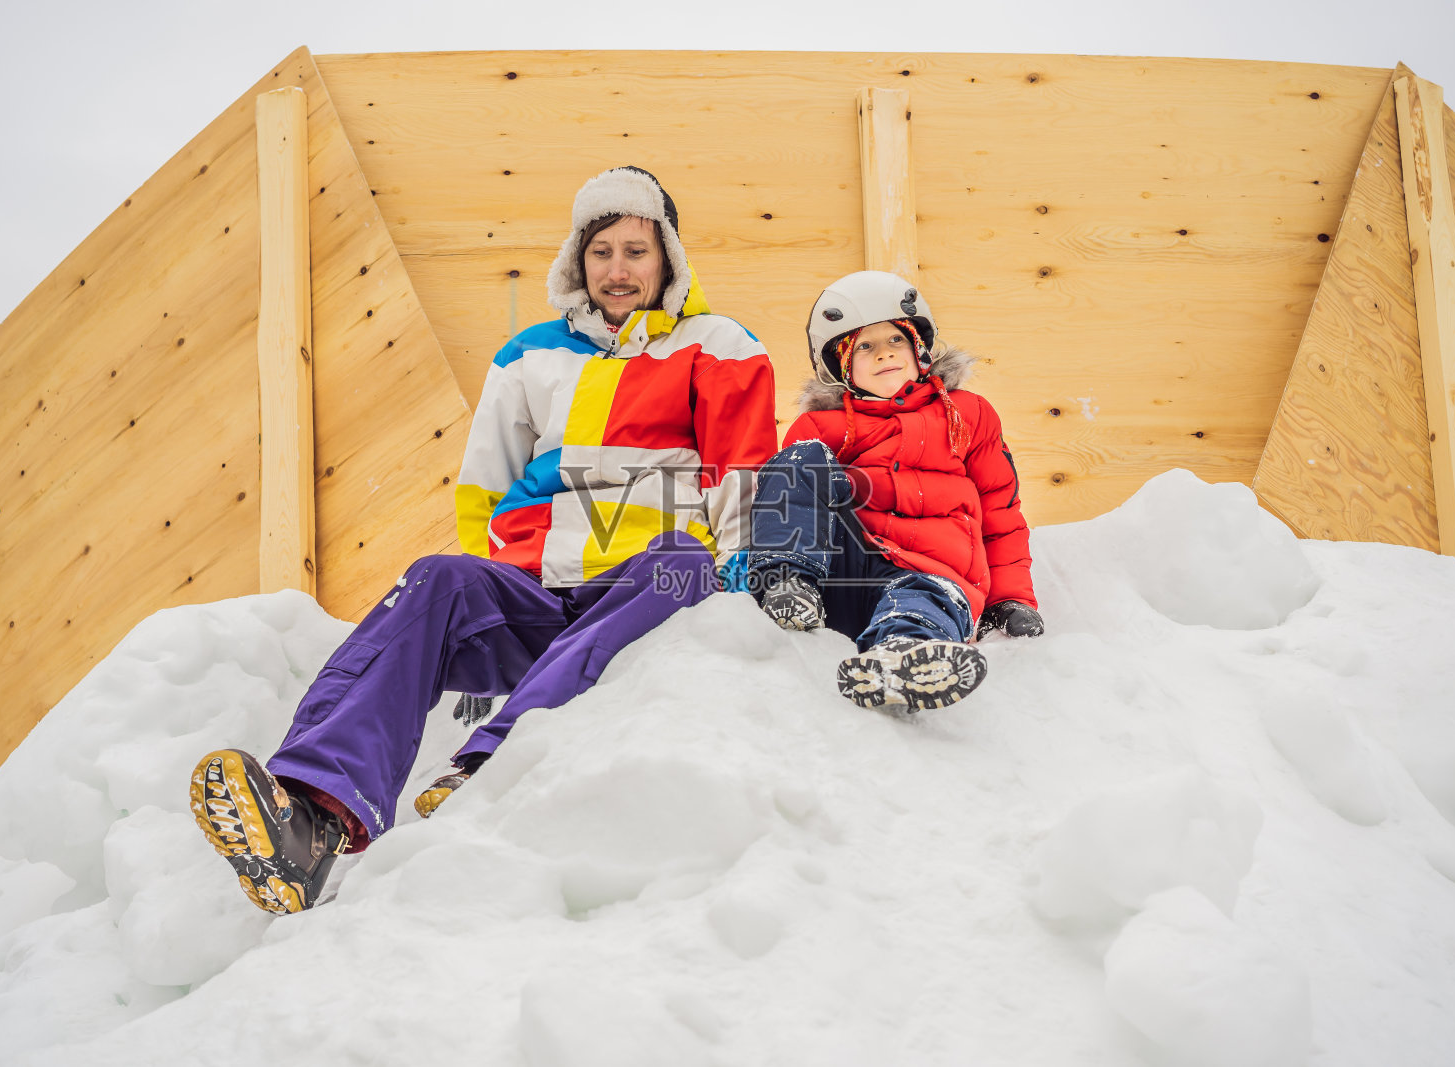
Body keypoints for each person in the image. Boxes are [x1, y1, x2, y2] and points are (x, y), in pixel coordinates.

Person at [190, 167, 778, 914]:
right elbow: (484, 488)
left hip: (645, 596)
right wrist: (494, 582)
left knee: (682, 559)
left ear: (667, 257)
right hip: (541, 594)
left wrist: (740, 587)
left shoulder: (717, 343)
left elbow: (744, 472)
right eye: (602, 251)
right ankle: (311, 815)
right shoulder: (528, 355)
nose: (619, 269)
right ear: (578, 259)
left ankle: (490, 766)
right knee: (437, 577)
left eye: (636, 250)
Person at [748, 270, 1042, 712]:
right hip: (846, 574)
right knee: (796, 464)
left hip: (931, 574)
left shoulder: (968, 415)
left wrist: (1012, 597)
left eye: (895, 340)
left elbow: (1001, 511)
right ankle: (788, 584)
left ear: (918, 347)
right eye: (864, 346)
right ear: (841, 362)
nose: (884, 354)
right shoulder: (821, 428)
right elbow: (794, 501)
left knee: (918, 601)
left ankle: (904, 656)